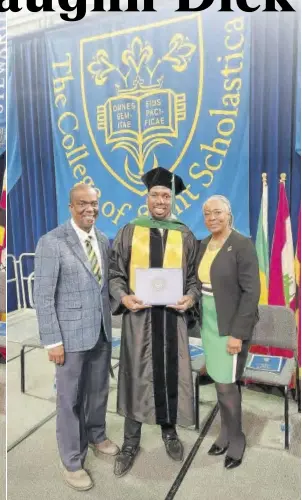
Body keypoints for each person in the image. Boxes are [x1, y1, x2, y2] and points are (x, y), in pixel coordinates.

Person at [109, 167, 200, 477]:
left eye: (165, 195)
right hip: (140, 319)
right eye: (155, 195)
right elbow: (115, 275)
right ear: (146, 198)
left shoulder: (184, 233)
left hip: (172, 320)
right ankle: (130, 442)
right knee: (136, 374)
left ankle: (169, 433)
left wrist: (190, 297)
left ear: (172, 199)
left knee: (169, 375)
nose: (160, 200)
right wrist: (123, 298)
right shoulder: (129, 231)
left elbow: (194, 280)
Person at [34, 184, 119, 491]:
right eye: (83, 204)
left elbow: (105, 287)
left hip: (100, 331)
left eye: (94, 204)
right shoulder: (52, 242)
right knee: (69, 400)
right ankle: (72, 460)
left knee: (98, 391)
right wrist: (52, 341)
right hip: (68, 338)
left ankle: (97, 435)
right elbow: (42, 296)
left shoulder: (103, 239)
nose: (89, 209)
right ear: (71, 207)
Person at [197, 195, 260, 469]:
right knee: (219, 382)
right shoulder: (203, 244)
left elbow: (251, 293)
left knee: (227, 385)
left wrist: (237, 334)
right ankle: (224, 432)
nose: (212, 218)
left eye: (218, 212)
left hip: (230, 325)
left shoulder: (242, 244)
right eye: (207, 213)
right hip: (209, 324)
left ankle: (237, 439)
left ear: (229, 214)